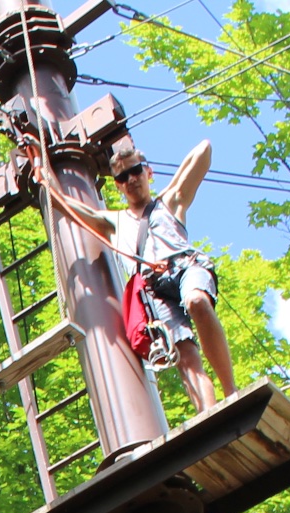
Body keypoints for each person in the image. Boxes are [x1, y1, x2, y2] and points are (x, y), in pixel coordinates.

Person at [46, 137, 235, 414]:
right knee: (184, 355)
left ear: (148, 172)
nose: (131, 179)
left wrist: (171, 181)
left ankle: (230, 392)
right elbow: (66, 205)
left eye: (136, 171)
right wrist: (44, 171)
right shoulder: (114, 222)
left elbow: (205, 149)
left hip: (183, 268)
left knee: (196, 302)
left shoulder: (170, 201)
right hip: (154, 291)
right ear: (118, 185)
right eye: (123, 176)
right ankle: (209, 413)